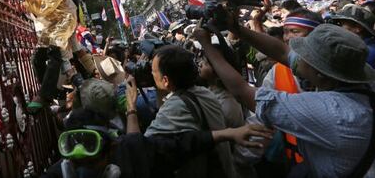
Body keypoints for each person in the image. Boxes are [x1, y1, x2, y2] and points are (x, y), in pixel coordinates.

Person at [193, 14, 375, 177]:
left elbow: (242, 91)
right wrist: (236, 28)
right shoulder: (353, 81)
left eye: (305, 56)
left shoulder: (331, 111)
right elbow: (282, 52)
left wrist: (207, 46)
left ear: (319, 73)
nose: (296, 56)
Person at [125, 45, 237, 178]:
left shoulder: (177, 107)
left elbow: (138, 151)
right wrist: (161, 88)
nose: (150, 74)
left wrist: (131, 108)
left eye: (153, 71)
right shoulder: (205, 93)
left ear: (165, 80)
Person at [10, 0, 77, 112]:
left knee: (54, 53)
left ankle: (44, 96)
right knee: (37, 59)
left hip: (64, 20)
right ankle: (54, 92)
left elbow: (45, 8)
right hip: (50, 24)